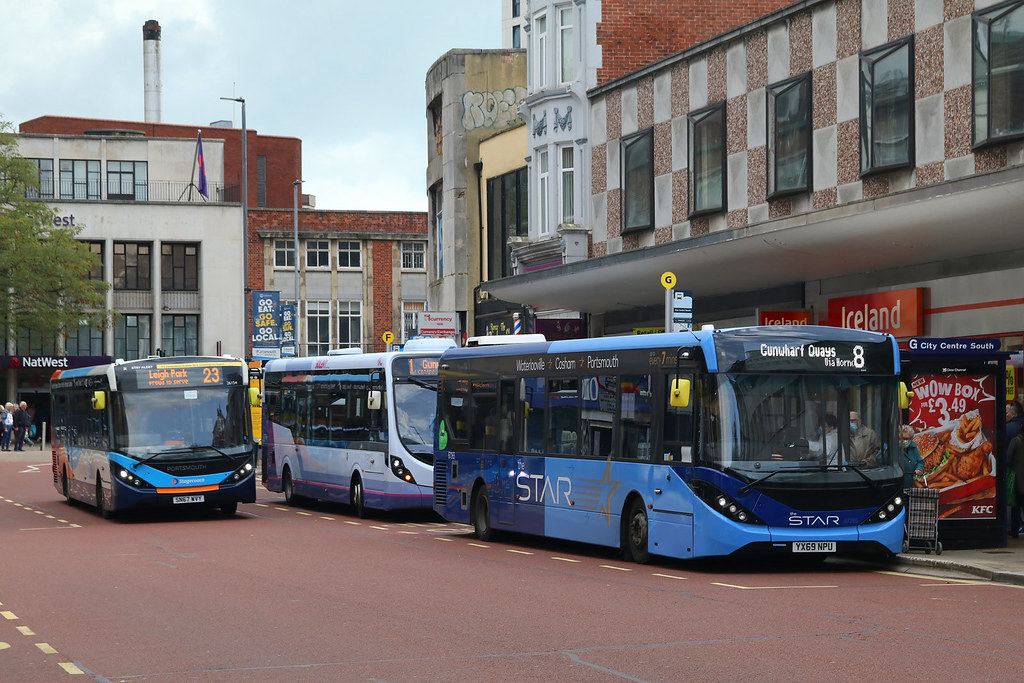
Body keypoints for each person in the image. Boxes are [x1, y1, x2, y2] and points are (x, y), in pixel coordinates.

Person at [1008, 421, 1024, 538]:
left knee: (1016, 505)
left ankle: (1014, 530)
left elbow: (1008, 459)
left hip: (1019, 478)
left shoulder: (1016, 441)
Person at [901, 425, 925, 489]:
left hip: (911, 485)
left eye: (906, 439)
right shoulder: (892, 447)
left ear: (911, 439)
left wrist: (919, 469)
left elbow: (920, 462)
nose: (904, 441)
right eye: (902, 438)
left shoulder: (913, 446)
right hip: (898, 485)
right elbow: (879, 459)